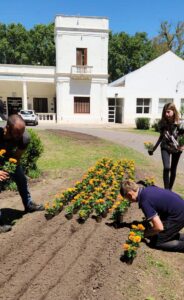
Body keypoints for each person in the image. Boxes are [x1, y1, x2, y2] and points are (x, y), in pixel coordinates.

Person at [0, 114, 44, 233]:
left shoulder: (24, 137)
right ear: (7, 128)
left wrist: (9, 166)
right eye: (17, 133)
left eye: (22, 132)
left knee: (21, 178)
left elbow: (17, 156)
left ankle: (28, 204)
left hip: (8, 158)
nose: (20, 136)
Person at [120, 179, 184, 252]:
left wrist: (143, 234)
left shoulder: (144, 201)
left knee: (156, 242)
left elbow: (159, 227)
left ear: (130, 194)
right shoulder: (147, 189)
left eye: (127, 199)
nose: (129, 201)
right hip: (179, 208)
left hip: (178, 215)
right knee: (161, 235)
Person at [148, 103, 182, 190]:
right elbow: (161, 136)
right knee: (167, 167)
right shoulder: (162, 123)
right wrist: (153, 148)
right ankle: (166, 190)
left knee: (173, 170)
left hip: (177, 148)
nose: (166, 114)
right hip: (165, 146)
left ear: (174, 111)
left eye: (168, 112)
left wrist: (182, 146)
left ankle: (169, 190)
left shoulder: (180, 123)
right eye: (164, 112)